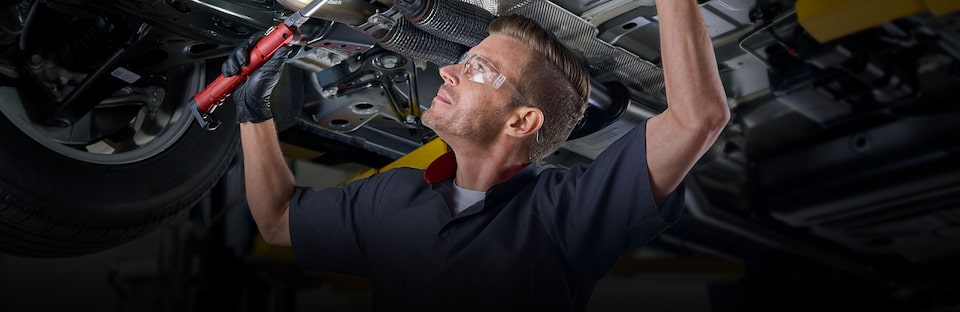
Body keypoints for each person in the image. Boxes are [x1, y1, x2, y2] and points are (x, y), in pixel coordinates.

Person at [226, 0, 729, 310]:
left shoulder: (563, 216)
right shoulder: (394, 200)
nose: (448, 72)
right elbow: (278, 220)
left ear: (522, 121)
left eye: (480, 70)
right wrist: (253, 110)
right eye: (464, 62)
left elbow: (697, 118)